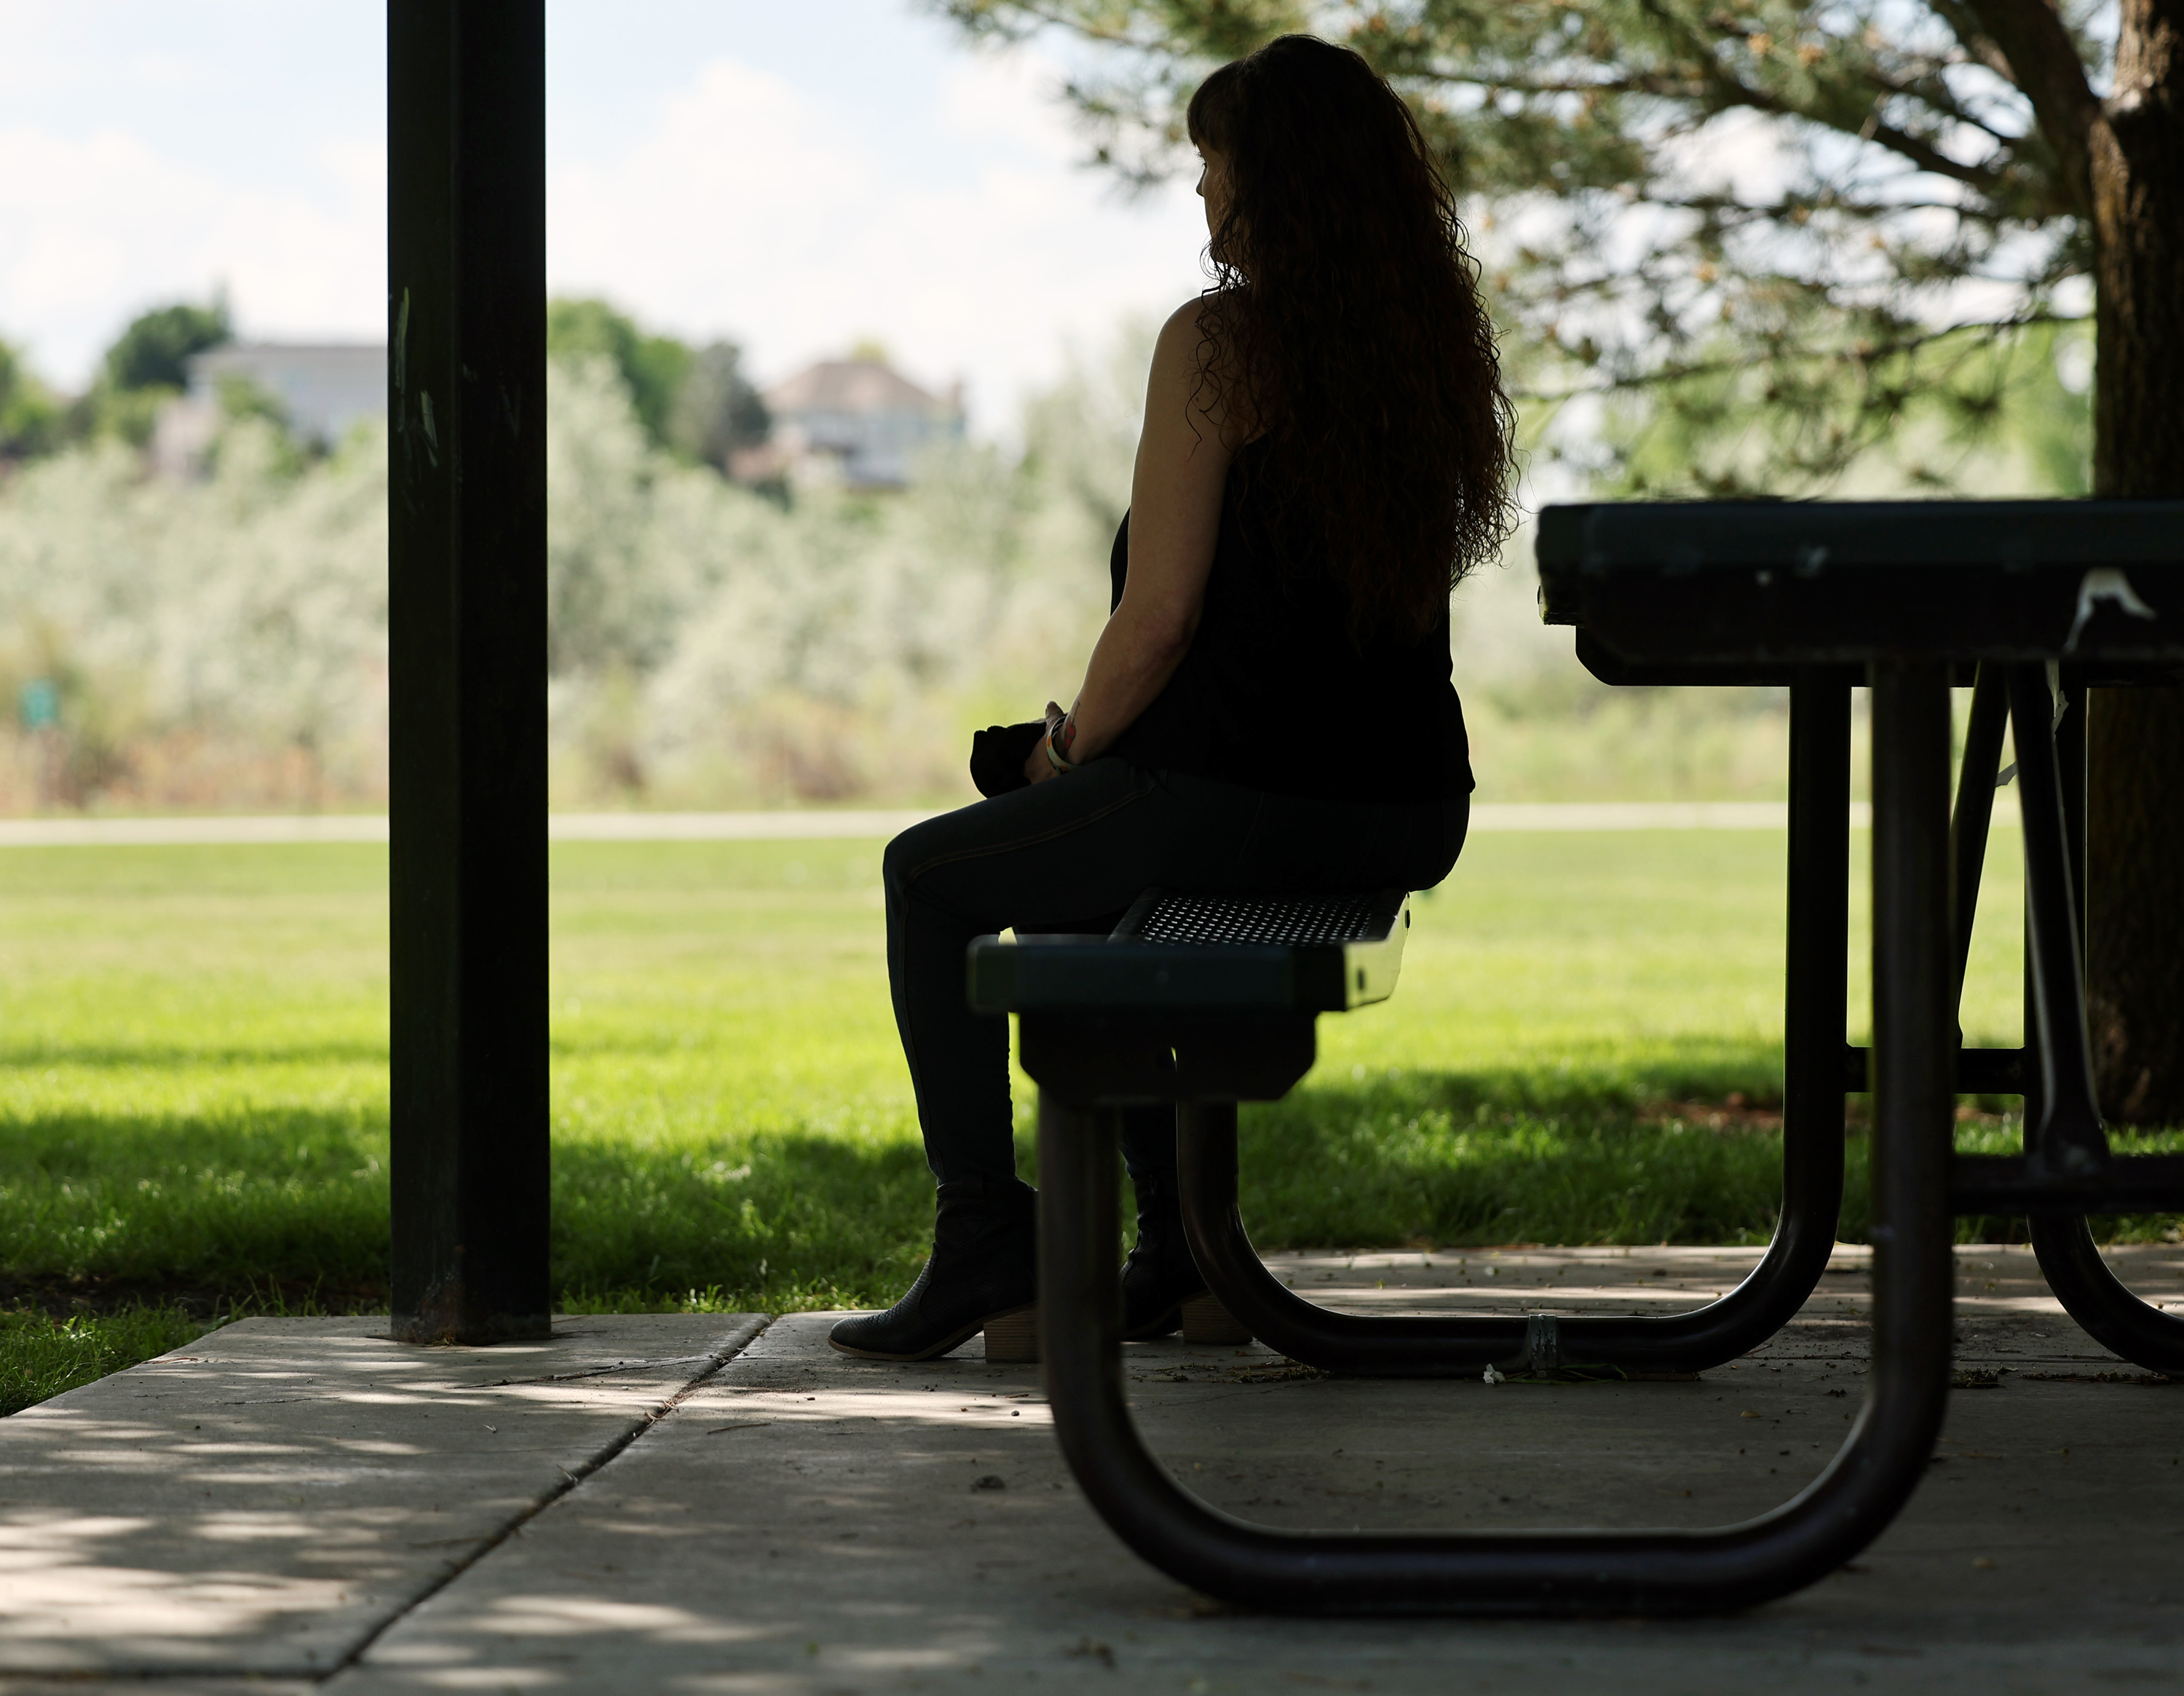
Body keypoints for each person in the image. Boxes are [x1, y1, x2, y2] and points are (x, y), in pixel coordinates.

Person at [828, 33, 1516, 1362]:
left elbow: (1158, 624)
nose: (1202, 191)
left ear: (1276, 182)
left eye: (1216, 162)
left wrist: (1060, 750)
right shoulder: (1415, 360)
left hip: (1239, 793)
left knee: (930, 874)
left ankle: (987, 1239)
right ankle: (1186, 1256)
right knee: (1079, 879)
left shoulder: (1217, 343)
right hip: (1409, 808)